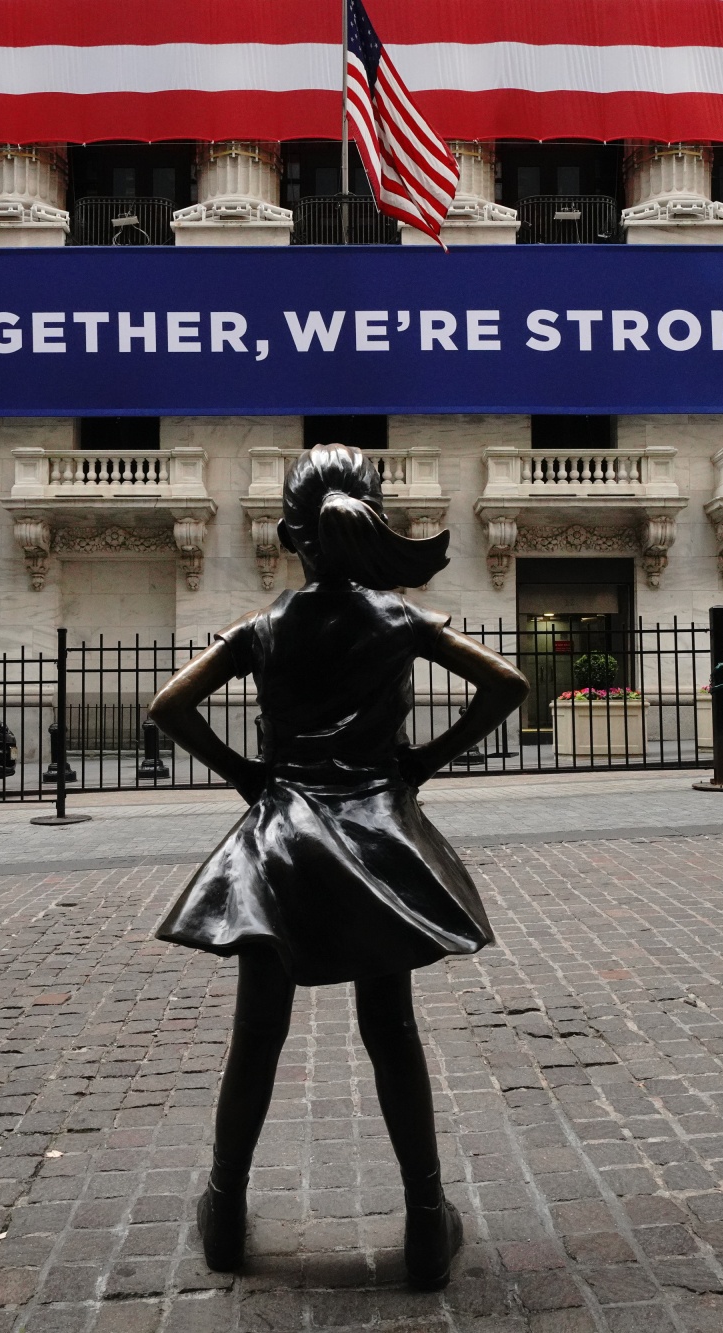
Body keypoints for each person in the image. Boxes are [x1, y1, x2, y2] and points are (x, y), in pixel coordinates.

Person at [148, 444, 527, 1289]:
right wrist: (425, 760)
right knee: (391, 1028)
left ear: (291, 535)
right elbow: (506, 684)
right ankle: (427, 1221)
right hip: (378, 837)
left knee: (257, 1034)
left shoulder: (265, 626)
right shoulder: (398, 620)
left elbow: (169, 705)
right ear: (371, 523)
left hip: (281, 839)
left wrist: (249, 776)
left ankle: (225, 1207)